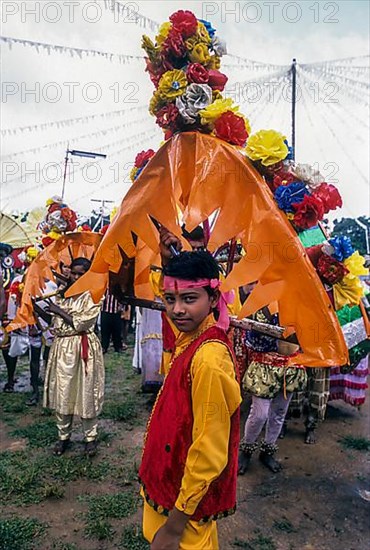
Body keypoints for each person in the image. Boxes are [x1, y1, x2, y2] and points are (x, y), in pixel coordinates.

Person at [139, 250, 241, 549]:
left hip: (185, 507)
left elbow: (210, 449)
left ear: (213, 298)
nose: (178, 310)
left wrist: (174, 527)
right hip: (170, 486)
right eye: (170, 300)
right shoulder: (191, 339)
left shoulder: (209, 358)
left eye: (189, 298)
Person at [38, 258, 104, 457]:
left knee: (86, 391)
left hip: (82, 346)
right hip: (62, 346)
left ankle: (90, 438)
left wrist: (59, 310)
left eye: (80, 273)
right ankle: (63, 436)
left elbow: (82, 324)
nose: (75, 277)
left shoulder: (93, 295)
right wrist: (34, 309)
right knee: (63, 391)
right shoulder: (61, 294)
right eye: (73, 273)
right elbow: (54, 320)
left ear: (87, 274)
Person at [238, 308, 307, 474]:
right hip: (265, 366)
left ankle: (267, 452)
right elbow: (253, 341)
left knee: (279, 413)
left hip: (291, 367)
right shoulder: (263, 305)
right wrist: (271, 320)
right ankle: (246, 451)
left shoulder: (302, 305)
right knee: (259, 414)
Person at [100, 288, 123, 353]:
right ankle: (104, 347)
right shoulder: (104, 288)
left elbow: (122, 299)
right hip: (105, 311)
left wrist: (121, 307)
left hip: (116, 312)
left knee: (117, 330)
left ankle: (118, 347)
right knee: (104, 330)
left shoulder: (118, 289)